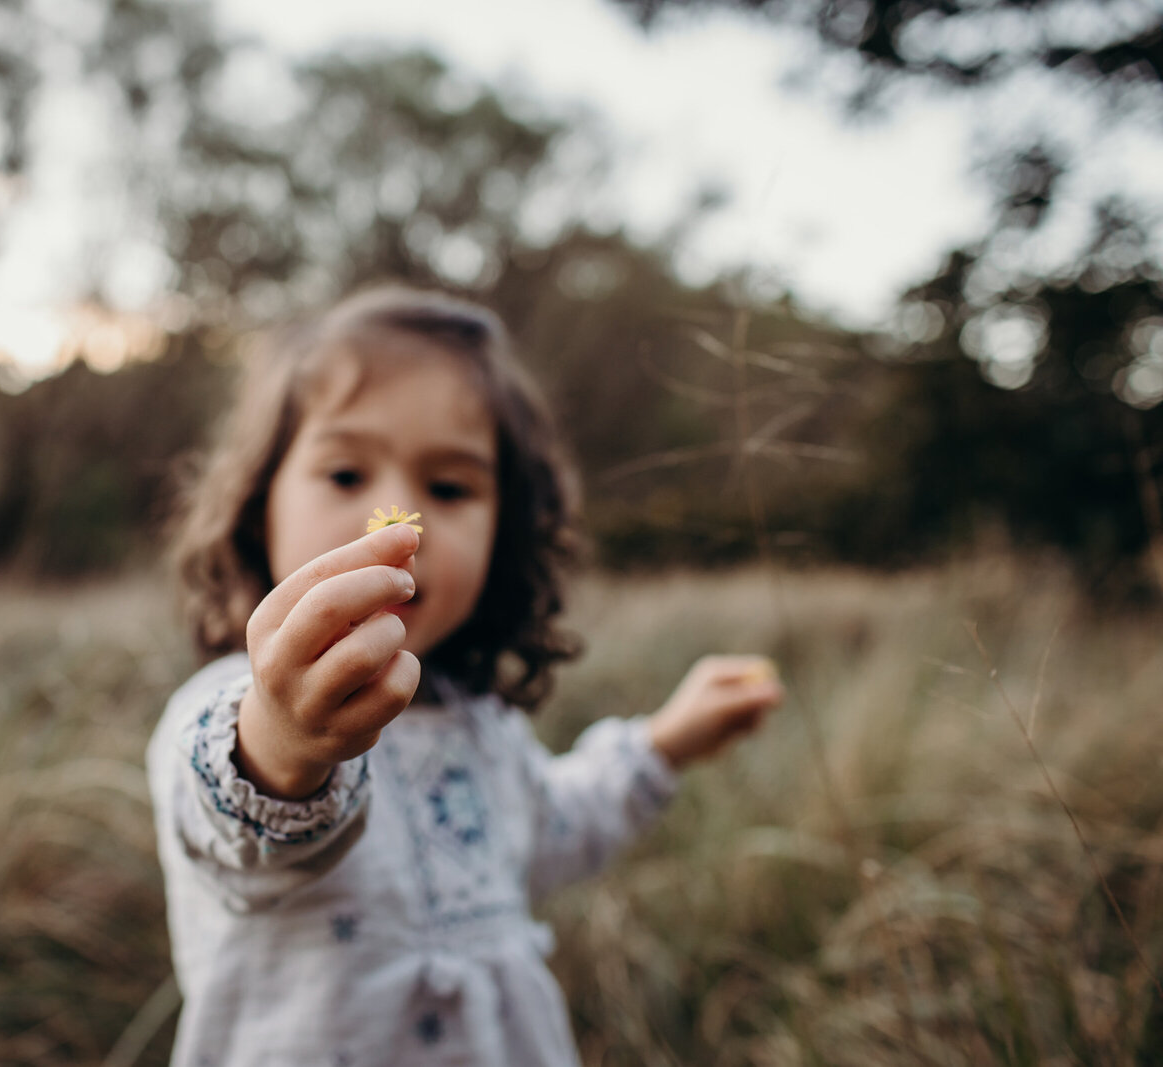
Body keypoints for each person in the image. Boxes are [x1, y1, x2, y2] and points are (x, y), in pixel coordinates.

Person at [148, 285, 784, 1066]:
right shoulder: (225, 708)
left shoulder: (480, 719)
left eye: (449, 488)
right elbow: (232, 823)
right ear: (259, 505)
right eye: (345, 474)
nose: (397, 516)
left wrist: (663, 744)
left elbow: (552, 829)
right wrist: (284, 741)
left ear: (503, 529)